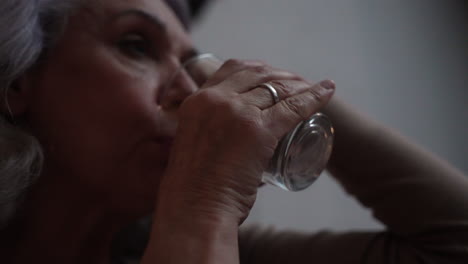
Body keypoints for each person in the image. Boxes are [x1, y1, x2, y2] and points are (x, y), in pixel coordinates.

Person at [0, 0, 466, 263]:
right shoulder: (202, 228)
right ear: (19, 76)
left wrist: (290, 94)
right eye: (136, 45)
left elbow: (453, 243)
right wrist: (204, 201)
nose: (193, 92)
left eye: (193, 66)